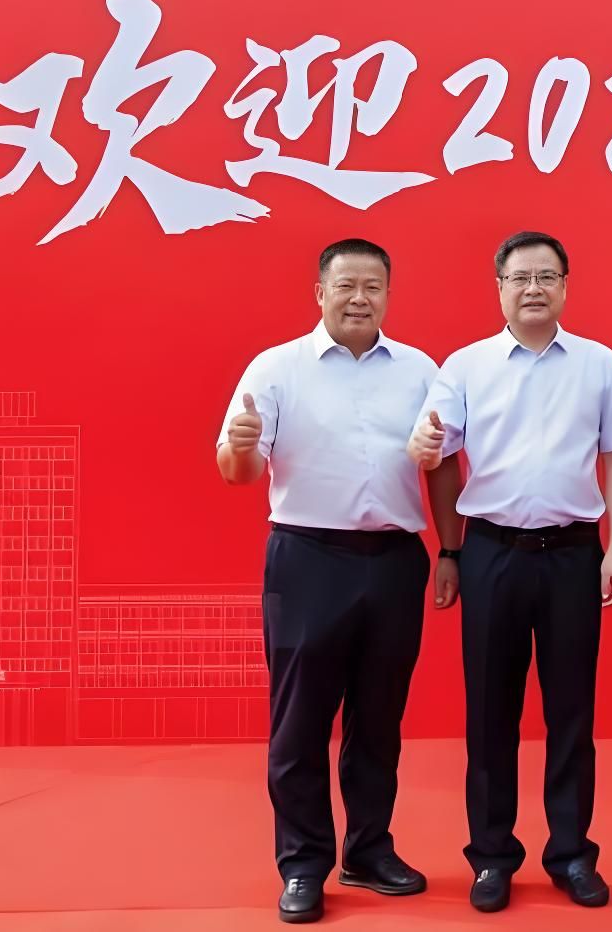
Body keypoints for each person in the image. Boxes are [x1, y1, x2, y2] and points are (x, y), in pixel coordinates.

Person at [407, 231, 612, 913]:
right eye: (520, 278)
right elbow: (434, 453)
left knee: (572, 711)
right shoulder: (466, 366)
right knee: (489, 710)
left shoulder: (599, 364)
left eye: (546, 277)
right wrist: (448, 545)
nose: (534, 288)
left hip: (572, 552)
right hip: (492, 552)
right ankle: (491, 857)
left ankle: (571, 854)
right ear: (499, 288)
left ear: (565, 285)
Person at [215, 238, 438, 925]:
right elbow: (237, 470)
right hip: (307, 557)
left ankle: (368, 850)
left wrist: (452, 548)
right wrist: (241, 445)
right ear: (320, 293)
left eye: (373, 286)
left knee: (379, 719)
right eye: (346, 286)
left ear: (388, 294)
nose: (359, 298)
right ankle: (303, 865)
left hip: (395, 559)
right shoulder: (276, 368)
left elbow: (444, 463)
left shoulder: (420, 370)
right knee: (300, 721)